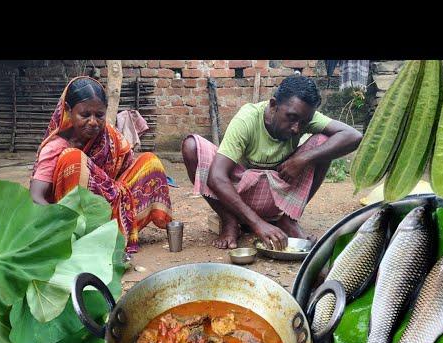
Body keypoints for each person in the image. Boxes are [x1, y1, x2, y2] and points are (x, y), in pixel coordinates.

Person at [181, 74, 362, 250]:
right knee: (191, 146)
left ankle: (288, 220)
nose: (296, 128)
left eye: (304, 122)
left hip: (278, 191)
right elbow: (216, 177)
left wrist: (303, 158)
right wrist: (257, 224)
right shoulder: (248, 119)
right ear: (273, 105)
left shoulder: (303, 116)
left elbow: (353, 136)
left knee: (324, 144)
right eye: (291, 118)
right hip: (240, 193)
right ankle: (230, 221)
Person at [30, 76, 172, 254]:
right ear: (68, 110)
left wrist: (114, 194)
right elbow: (36, 197)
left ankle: (118, 232)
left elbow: (125, 170)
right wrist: (61, 225)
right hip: (73, 223)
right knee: (73, 159)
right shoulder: (56, 147)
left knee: (150, 162)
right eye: (85, 115)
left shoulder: (108, 136)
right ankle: (87, 239)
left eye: (99, 115)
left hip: (110, 210)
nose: (93, 122)